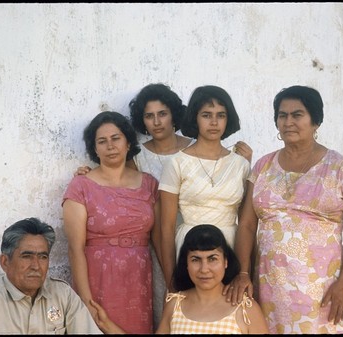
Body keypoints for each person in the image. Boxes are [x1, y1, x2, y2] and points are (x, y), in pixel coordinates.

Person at [75, 83, 253, 330]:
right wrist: (88, 176)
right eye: (149, 116)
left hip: (226, 245)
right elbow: (121, 184)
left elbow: (245, 218)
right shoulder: (150, 160)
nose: (157, 121)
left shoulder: (223, 155)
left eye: (162, 114)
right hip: (173, 245)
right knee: (177, 311)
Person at [230, 85, 343, 334]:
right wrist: (243, 272)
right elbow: (247, 224)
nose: (288, 122)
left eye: (297, 115)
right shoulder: (264, 165)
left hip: (319, 290)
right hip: (268, 285)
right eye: (282, 115)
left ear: (315, 121)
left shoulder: (339, 168)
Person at [62, 111, 160, 334]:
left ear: (127, 142)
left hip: (139, 280)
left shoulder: (149, 185)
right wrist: (85, 301)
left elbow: (160, 238)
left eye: (116, 138)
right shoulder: (81, 186)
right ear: (94, 149)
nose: (110, 146)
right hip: (99, 279)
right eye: (102, 141)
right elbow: (75, 249)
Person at [0, 217, 122, 334]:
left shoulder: (63, 294)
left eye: (43, 257)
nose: (36, 266)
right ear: (5, 262)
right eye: (27, 256)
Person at [159, 85, 251, 293]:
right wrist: (170, 280)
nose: (214, 122)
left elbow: (247, 223)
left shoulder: (241, 165)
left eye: (221, 115)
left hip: (230, 247)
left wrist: (245, 270)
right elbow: (166, 228)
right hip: (190, 249)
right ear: (195, 118)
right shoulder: (177, 163)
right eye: (206, 115)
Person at [155, 224, 269, 334]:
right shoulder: (174, 306)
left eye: (212, 259)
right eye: (195, 259)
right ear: (186, 264)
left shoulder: (246, 310)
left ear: (225, 262)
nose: (204, 269)